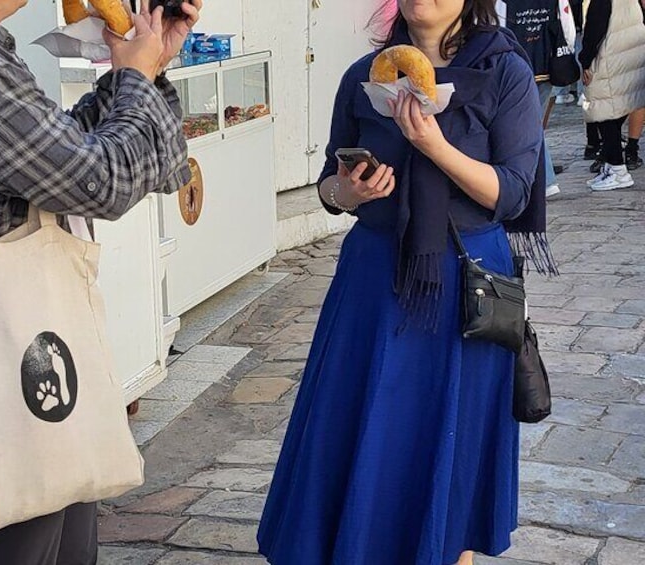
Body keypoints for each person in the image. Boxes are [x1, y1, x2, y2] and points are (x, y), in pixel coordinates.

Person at [0, 0, 201, 563]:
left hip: (26, 346)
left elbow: (83, 156)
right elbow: (101, 181)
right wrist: (134, 78)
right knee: (25, 538)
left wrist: (151, 64)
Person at [257, 0, 549, 563]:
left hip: (467, 287)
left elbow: (511, 193)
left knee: (452, 437)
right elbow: (328, 190)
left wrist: (432, 145)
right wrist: (351, 191)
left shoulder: (503, 71)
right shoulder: (365, 78)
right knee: (363, 423)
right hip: (373, 279)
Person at [496, 0, 565, 196]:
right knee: (533, 124)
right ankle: (543, 179)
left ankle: (545, 180)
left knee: (530, 126)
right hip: (547, 63)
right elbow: (565, 23)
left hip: (517, 65)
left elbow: (498, 25)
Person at [580, 0, 645, 191]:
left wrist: (584, 60)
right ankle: (611, 166)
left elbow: (594, 29)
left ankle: (618, 170)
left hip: (610, 57)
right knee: (615, 112)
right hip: (630, 54)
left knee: (605, 114)